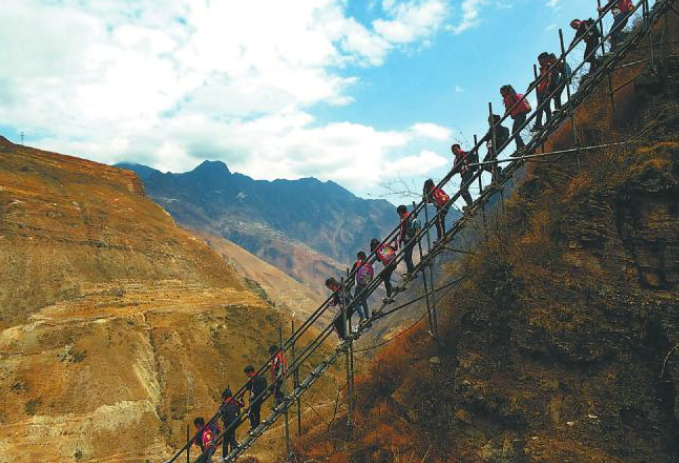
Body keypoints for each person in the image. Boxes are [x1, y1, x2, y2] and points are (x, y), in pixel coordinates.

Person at [501, 85, 530, 152]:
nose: (501, 94)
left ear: (505, 91)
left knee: (515, 132)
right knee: (516, 132)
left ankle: (522, 147)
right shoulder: (514, 95)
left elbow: (508, 108)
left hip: (519, 116)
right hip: (523, 115)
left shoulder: (508, 97)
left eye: (502, 92)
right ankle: (519, 148)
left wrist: (504, 116)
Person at [482, 114, 510, 182]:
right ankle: (495, 173)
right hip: (491, 147)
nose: (489, 123)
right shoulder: (491, 129)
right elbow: (485, 138)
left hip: (495, 146)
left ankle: (496, 173)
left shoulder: (498, 127)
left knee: (489, 162)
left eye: (490, 120)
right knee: (485, 164)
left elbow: (504, 137)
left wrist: (497, 138)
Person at [370, 238, 398, 303]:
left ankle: (389, 295)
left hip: (389, 265)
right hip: (394, 262)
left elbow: (381, 259)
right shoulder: (385, 245)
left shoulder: (378, 251)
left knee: (383, 278)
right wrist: (395, 241)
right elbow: (395, 248)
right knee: (385, 278)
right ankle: (391, 290)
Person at [533, 52, 556, 131]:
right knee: (539, 108)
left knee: (546, 107)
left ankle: (549, 121)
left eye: (540, 60)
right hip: (541, 90)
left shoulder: (549, 67)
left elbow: (550, 79)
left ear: (546, 59)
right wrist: (532, 84)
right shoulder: (543, 69)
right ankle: (538, 124)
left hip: (546, 90)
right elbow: (540, 79)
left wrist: (548, 89)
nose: (539, 62)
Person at [220, 388, 244, 457]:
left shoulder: (224, 404)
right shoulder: (235, 401)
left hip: (228, 424)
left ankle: (226, 456)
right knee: (231, 436)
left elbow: (220, 412)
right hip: (236, 422)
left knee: (225, 442)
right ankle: (232, 453)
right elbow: (242, 404)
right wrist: (241, 397)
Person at [350, 251, 373, 322]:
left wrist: (353, 279)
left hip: (359, 286)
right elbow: (370, 276)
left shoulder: (357, 264)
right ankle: (367, 316)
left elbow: (352, 274)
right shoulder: (368, 265)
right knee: (364, 301)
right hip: (366, 286)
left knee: (355, 302)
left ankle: (361, 316)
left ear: (359, 257)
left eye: (358, 257)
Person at [244, 365, 267, 431]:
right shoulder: (253, 379)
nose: (247, 375)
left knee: (250, 412)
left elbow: (257, 390)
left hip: (256, 398)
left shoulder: (257, 379)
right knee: (256, 412)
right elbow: (248, 387)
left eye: (247, 373)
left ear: (250, 372)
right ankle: (257, 426)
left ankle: (254, 427)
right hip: (256, 398)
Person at [396, 205, 417, 275]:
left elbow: (402, 230)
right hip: (413, 238)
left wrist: (400, 240)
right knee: (407, 256)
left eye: (399, 213)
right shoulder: (411, 216)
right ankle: (410, 271)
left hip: (408, 239)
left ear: (401, 212)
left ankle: (411, 272)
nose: (399, 215)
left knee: (407, 257)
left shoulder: (404, 219)